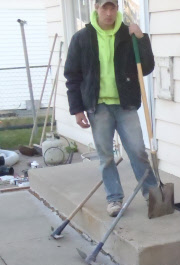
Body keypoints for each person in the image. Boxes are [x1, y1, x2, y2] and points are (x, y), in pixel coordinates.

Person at [64, 0, 157, 217]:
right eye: (104, 7)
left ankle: (152, 193)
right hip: (98, 106)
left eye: (112, 7)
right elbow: (72, 76)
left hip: (126, 104)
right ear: (96, 8)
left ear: (117, 9)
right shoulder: (82, 38)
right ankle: (114, 199)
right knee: (106, 156)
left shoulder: (129, 35)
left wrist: (142, 39)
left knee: (138, 151)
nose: (108, 12)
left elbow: (147, 67)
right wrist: (77, 109)